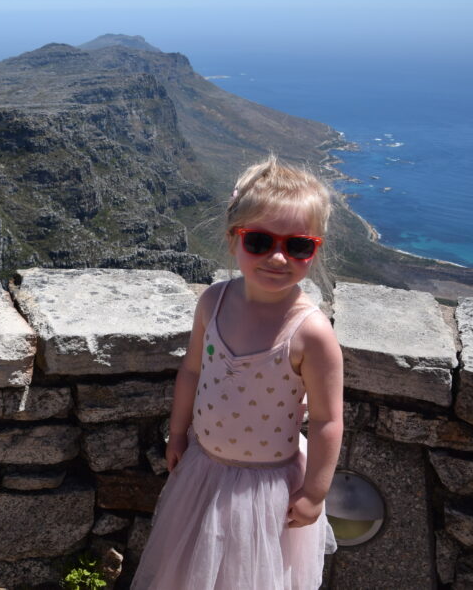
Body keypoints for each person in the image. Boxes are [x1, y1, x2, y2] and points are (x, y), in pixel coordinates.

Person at [132, 155, 344, 589]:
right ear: (233, 240)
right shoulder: (213, 302)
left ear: (315, 250)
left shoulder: (310, 333)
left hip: (267, 491)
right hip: (203, 470)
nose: (278, 257)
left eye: (298, 246)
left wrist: (314, 493)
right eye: (260, 241)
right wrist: (178, 433)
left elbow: (327, 420)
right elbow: (192, 371)